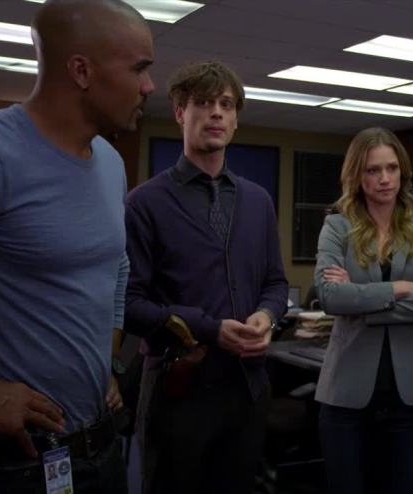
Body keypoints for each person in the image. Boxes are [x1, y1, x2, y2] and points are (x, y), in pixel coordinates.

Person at [0, 0, 155, 492]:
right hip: (11, 465)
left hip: (99, 451)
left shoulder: (109, 162)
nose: (149, 85)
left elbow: (116, 270)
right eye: (139, 68)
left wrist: (103, 363)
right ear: (81, 71)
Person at [124, 60, 288, 494]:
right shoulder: (145, 203)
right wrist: (210, 329)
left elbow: (276, 283)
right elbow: (128, 303)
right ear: (181, 112)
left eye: (226, 104)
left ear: (235, 120)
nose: (216, 112)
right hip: (179, 390)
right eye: (203, 103)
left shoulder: (258, 201)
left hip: (247, 390)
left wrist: (267, 316)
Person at [313, 127, 413, 494]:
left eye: (392, 168)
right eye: (373, 170)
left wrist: (362, 303)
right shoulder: (337, 227)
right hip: (346, 393)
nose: (385, 178)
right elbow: (329, 297)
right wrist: (400, 287)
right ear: (357, 175)